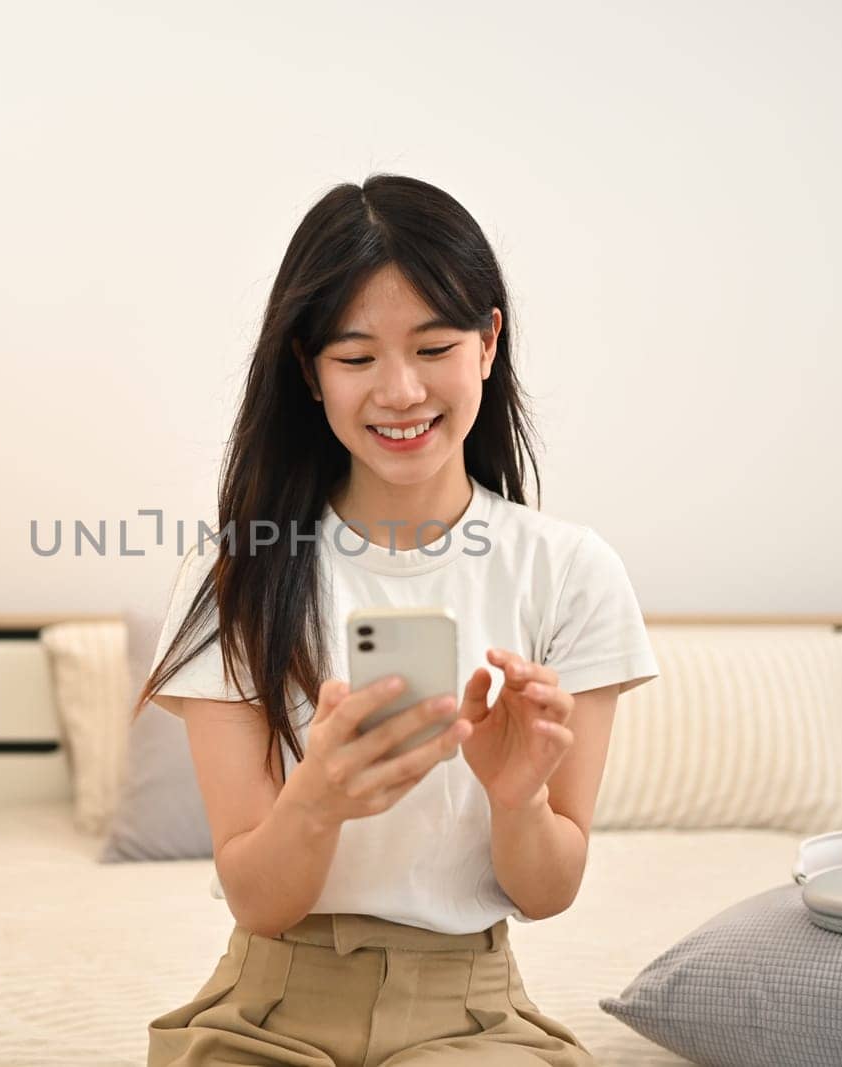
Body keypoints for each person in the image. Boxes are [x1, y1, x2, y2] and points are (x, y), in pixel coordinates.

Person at [133, 173, 660, 1066]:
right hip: (265, 1006)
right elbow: (258, 900)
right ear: (308, 369)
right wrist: (317, 800)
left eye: (434, 345)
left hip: (471, 1013)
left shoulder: (570, 572)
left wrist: (517, 794)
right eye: (355, 357)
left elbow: (549, 889)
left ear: (488, 344)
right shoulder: (235, 571)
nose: (401, 389)